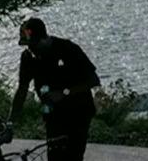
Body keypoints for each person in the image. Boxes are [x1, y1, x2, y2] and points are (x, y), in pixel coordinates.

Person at [11, 18, 99, 161]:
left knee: (73, 156)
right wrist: (11, 121)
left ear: (44, 39)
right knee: (54, 157)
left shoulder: (68, 49)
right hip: (53, 115)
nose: (31, 50)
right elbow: (22, 89)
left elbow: (93, 80)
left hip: (78, 113)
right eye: (28, 46)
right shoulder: (28, 57)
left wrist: (64, 93)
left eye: (34, 45)